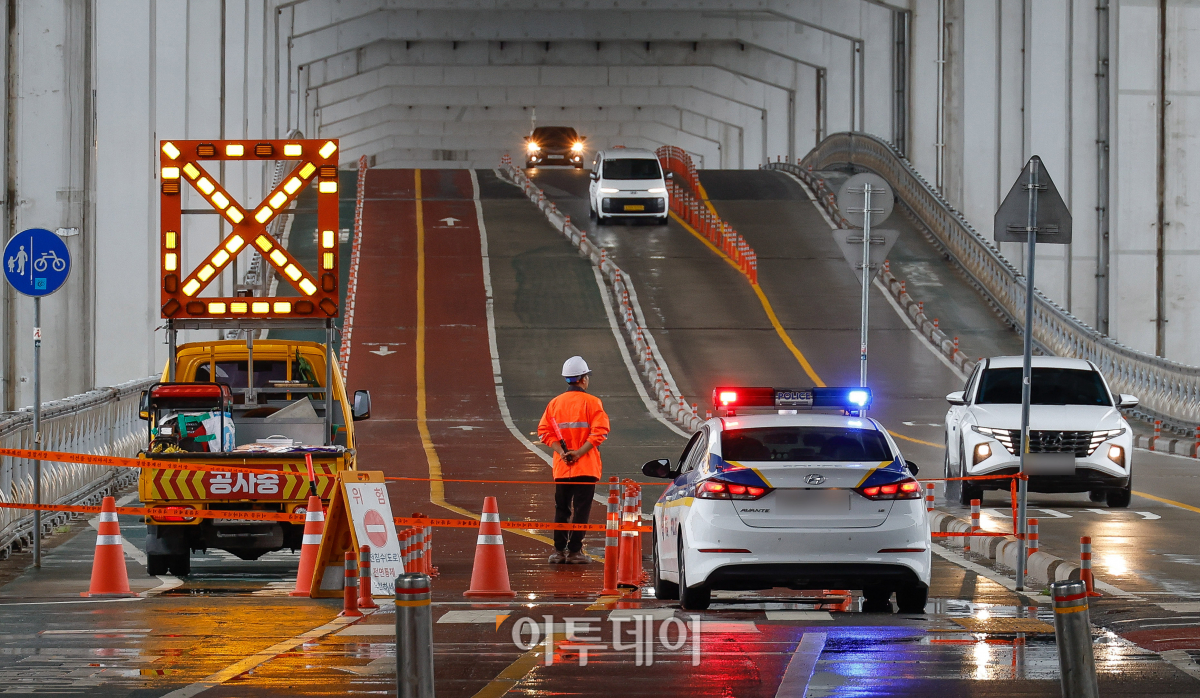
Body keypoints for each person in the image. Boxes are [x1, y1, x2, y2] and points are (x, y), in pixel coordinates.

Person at [537, 356, 610, 564]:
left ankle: (559, 552)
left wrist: (561, 452)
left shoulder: (555, 403)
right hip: (585, 466)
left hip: (562, 467)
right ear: (584, 379)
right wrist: (579, 453)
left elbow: (543, 432)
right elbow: (600, 433)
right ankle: (576, 551)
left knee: (561, 509)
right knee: (581, 509)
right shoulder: (593, 402)